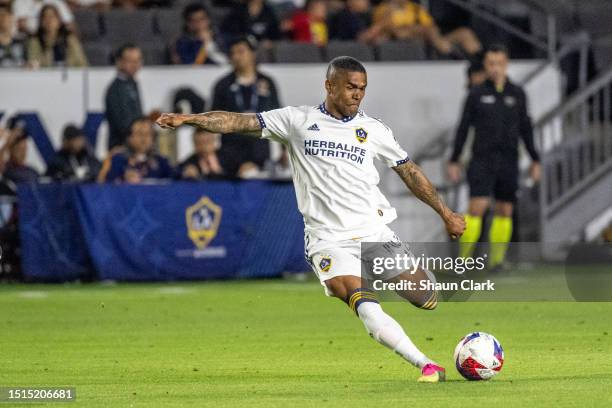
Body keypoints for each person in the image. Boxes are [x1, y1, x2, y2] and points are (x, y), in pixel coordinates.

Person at [157, 56, 466, 383]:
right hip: (327, 239)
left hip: (374, 232)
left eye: (362, 89)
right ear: (329, 85)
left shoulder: (374, 130)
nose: (357, 94)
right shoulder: (297, 121)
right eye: (350, 87)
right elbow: (236, 121)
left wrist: (445, 213)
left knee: (427, 298)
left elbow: (410, 171)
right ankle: (426, 364)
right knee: (361, 301)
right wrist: (190, 119)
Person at [447, 44, 541, 269]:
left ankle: (498, 261)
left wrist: (535, 159)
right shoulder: (476, 93)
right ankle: (463, 261)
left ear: (506, 64)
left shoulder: (517, 93)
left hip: (509, 160)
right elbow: (463, 128)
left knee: (505, 210)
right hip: (482, 159)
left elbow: (526, 128)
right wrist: (454, 159)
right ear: (486, 65)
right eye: (491, 64)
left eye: (499, 63)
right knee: (477, 207)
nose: (495, 68)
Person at [210, 36, 281, 177]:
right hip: (231, 153)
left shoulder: (267, 82)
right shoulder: (223, 85)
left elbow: (278, 115)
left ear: (252, 53)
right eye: (233, 53)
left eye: (241, 51)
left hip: (261, 153)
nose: (236, 57)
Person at [372, 0, 481, 58]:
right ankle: (449, 52)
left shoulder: (414, 7)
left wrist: (420, 30)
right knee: (423, 31)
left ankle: (478, 59)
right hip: (398, 39)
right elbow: (385, 28)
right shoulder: (384, 8)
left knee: (464, 33)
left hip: (427, 38)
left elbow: (430, 25)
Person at [98, 117, 173, 183]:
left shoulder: (161, 161)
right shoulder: (118, 160)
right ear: (129, 138)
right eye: (139, 134)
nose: (144, 138)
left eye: (148, 134)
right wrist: (123, 178)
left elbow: (175, 179)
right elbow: (107, 183)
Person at [105, 43, 143, 150]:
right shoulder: (115, 89)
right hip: (120, 148)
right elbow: (122, 125)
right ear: (119, 62)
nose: (135, 65)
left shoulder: (133, 84)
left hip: (134, 146)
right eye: (131, 61)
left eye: (138, 60)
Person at [26, 4, 88, 68]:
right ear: (41, 21)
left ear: (59, 20)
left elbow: (82, 62)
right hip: (44, 75)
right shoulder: (35, 41)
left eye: (52, 16)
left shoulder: (70, 39)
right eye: (45, 17)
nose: (49, 20)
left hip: (69, 74)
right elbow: (33, 62)